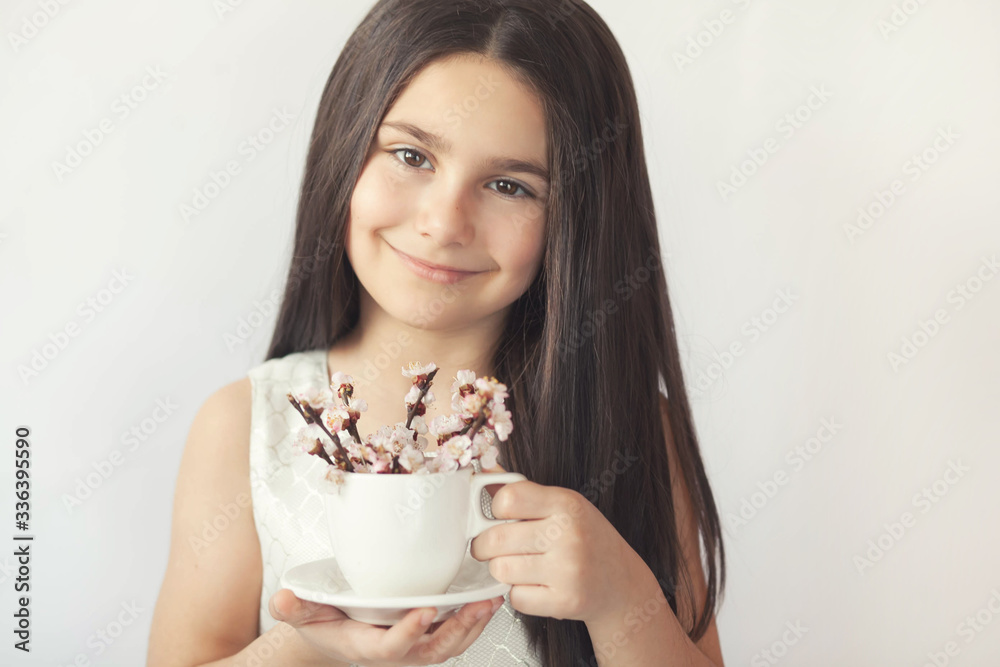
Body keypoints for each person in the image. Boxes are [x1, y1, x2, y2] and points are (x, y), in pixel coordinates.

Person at [147, 0, 727, 665]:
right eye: (410, 154)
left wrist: (623, 597)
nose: (445, 221)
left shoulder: (627, 427)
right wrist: (311, 643)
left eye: (509, 185)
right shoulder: (248, 426)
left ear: (576, 219)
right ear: (345, 147)